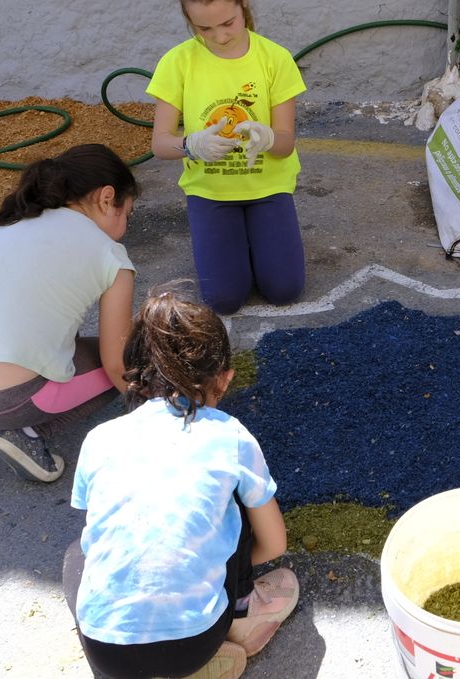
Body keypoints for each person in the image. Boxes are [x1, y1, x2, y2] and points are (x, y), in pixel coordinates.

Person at [63, 284, 297, 679]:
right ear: (224, 379)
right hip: (192, 643)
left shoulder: (99, 439)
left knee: (76, 554)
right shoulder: (230, 436)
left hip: (104, 653)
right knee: (234, 511)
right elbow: (275, 544)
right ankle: (240, 619)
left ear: (135, 375)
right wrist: (207, 563)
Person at [0, 143, 138, 483]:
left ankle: (19, 407)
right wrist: (156, 420)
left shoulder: (8, 225)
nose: (126, 225)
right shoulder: (111, 257)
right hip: (4, 401)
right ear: (106, 197)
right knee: (134, 356)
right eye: (128, 212)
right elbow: (117, 363)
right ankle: (28, 433)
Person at [148, 0, 307, 315]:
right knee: (223, 299)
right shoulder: (177, 62)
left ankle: (256, 240)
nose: (219, 36)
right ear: (188, 20)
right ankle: (242, 244)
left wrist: (268, 137)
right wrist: (191, 144)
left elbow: (284, 145)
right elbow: (160, 144)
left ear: (244, 2)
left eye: (228, 22)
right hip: (211, 193)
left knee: (285, 289)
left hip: (268, 188)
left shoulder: (275, 58)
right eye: (203, 28)